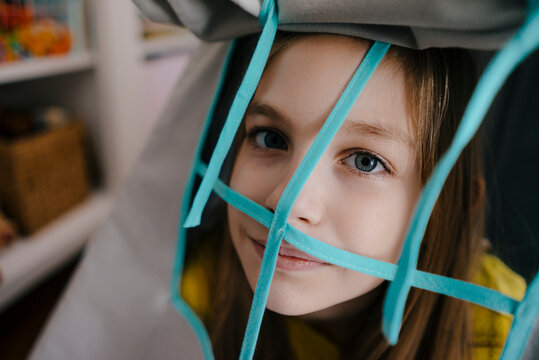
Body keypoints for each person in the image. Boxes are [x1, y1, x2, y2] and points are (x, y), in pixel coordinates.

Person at [180, 32, 526, 360]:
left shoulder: (507, 338)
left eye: (366, 161)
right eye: (270, 138)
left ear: (449, 208)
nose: (287, 203)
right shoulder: (191, 296)